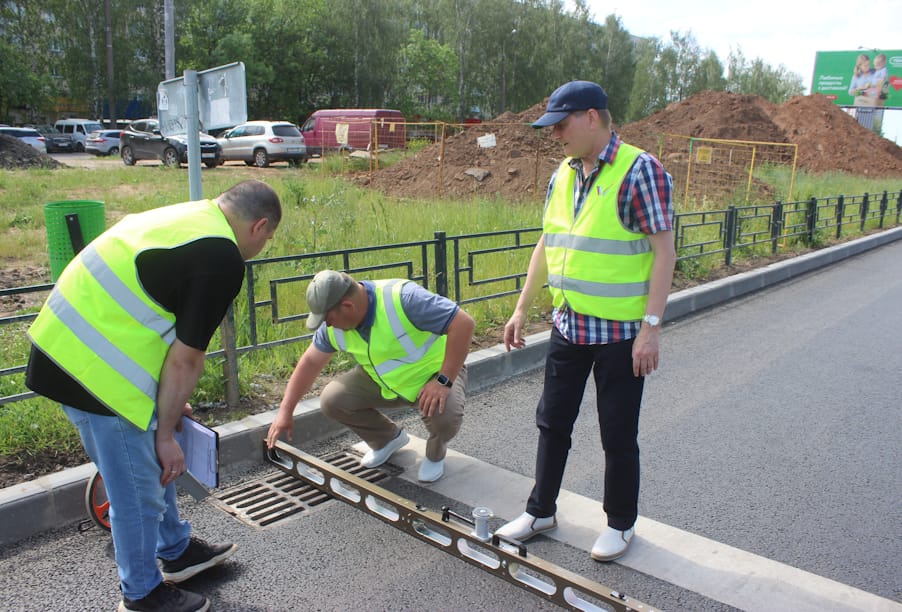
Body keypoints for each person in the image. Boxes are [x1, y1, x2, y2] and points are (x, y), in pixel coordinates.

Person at [25, 180, 282, 612]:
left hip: (64, 347)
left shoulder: (192, 217)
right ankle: (142, 593)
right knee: (138, 488)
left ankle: (176, 550)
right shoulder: (222, 258)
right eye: (268, 239)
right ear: (259, 227)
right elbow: (186, 358)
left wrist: (165, 404)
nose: (264, 245)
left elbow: (151, 307)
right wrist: (166, 434)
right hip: (95, 373)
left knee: (140, 467)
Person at [494, 81, 676, 562]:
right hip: (569, 326)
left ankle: (620, 523)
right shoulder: (563, 174)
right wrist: (520, 307)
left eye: (561, 124)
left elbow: (664, 252)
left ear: (591, 117)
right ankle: (541, 510)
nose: (554, 135)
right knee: (552, 422)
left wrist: (651, 328)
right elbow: (548, 243)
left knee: (617, 433)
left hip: (620, 335)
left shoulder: (641, 171)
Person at [266, 270, 474, 483]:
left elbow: (463, 324)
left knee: (445, 417)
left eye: (328, 319)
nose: (327, 325)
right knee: (333, 399)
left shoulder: (404, 299)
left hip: (433, 376)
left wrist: (443, 380)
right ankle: (386, 439)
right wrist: (286, 410)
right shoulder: (332, 325)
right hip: (383, 381)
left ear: (347, 306)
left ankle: (435, 453)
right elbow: (310, 362)